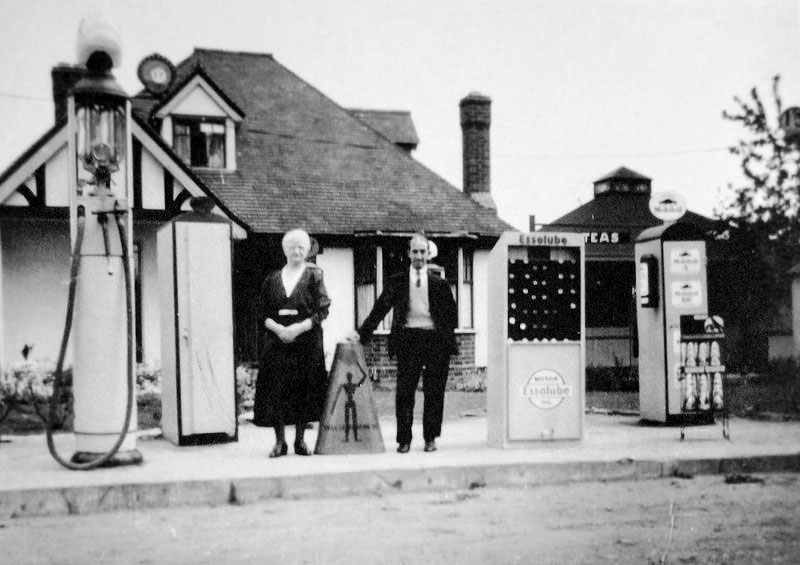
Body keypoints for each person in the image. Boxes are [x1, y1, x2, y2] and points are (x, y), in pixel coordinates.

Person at [352, 234, 457, 453]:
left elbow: (451, 316)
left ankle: (430, 438)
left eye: (422, 252)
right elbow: (381, 308)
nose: (419, 256)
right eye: (415, 251)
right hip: (408, 340)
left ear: (428, 254)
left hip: (434, 341)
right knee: (405, 392)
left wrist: (447, 342)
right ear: (409, 253)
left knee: (434, 391)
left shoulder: (440, 284)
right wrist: (362, 334)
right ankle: (404, 439)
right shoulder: (398, 281)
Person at [253, 229, 331, 457]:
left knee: (303, 390)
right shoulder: (272, 279)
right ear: (284, 250)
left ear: (307, 251)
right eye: (292, 247)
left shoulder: (314, 276)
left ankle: (300, 441)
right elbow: (261, 312)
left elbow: (323, 309)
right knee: (277, 389)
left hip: (306, 341)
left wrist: (298, 328)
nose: (296, 251)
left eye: (301, 247)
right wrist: (279, 330)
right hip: (277, 341)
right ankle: (280, 442)